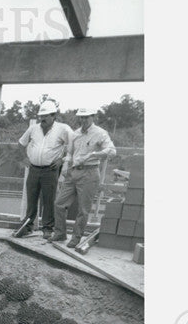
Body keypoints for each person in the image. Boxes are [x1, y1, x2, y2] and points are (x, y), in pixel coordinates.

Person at [50, 107, 116, 247]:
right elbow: (70, 153)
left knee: (83, 208)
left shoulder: (100, 133)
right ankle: (60, 233)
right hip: (73, 171)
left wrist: (93, 155)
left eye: (86, 117)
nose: (83, 120)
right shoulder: (75, 134)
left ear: (92, 117)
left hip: (89, 172)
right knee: (59, 203)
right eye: (81, 117)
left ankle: (76, 237)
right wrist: (66, 166)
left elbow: (111, 151)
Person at [16, 98, 72, 239]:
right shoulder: (33, 128)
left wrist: (63, 159)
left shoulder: (63, 129)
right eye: (41, 116)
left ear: (54, 116)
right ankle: (28, 226)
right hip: (34, 169)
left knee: (49, 199)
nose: (42, 119)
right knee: (32, 198)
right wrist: (24, 158)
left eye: (46, 116)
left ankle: (48, 228)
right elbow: (21, 143)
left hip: (50, 170)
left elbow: (74, 144)